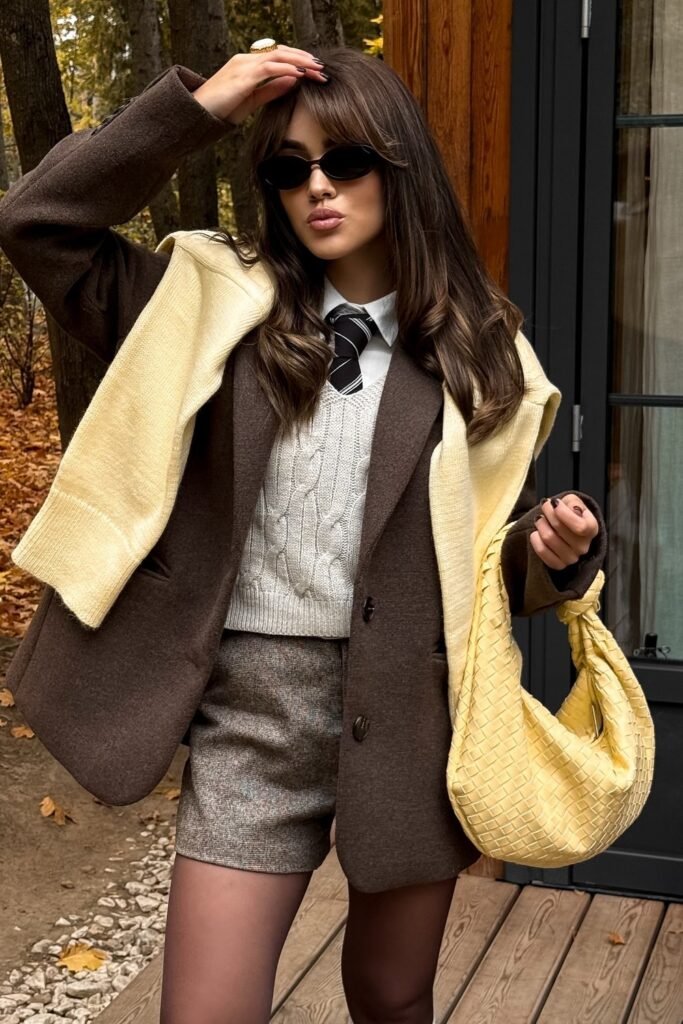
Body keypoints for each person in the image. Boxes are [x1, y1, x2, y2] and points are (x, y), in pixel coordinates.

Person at [0, 42, 607, 1024]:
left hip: (410, 719)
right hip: (251, 718)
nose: (316, 186)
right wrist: (200, 108)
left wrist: (551, 556)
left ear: (396, 167)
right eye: (288, 169)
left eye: (345, 161)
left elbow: (473, 570)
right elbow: (37, 221)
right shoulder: (206, 307)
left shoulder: (477, 351)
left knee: (388, 994)